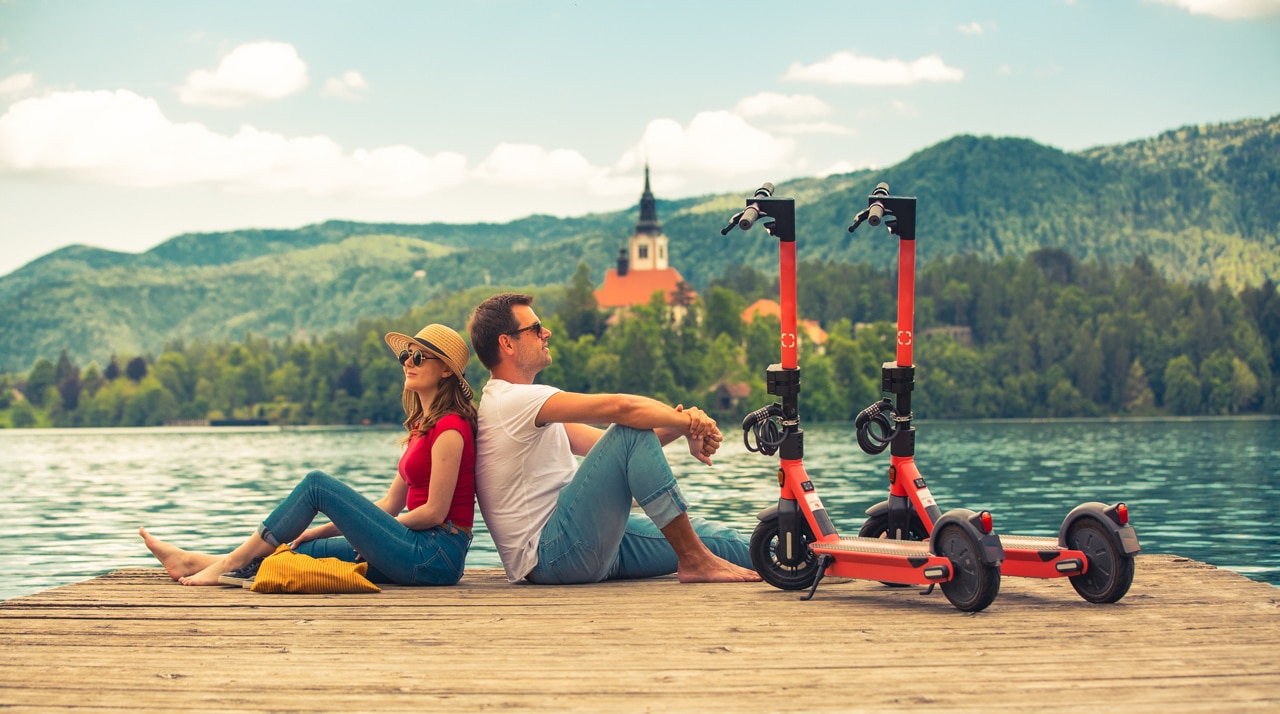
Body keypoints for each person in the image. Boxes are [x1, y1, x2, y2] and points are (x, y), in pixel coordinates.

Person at [140, 323, 478, 587]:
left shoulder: (450, 428)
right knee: (300, 550)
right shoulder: (422, 427)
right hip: (411, 545)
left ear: (446, 370)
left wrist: (371, 532)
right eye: (406, 355)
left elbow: (434, 514)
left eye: (419, 357)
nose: (408, 362)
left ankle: (226, 566)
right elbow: (390, 503)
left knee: (317, 485)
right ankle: (192, 562)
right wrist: (323, 531)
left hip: (434, 556)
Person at [467, 292, 759, 585]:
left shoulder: (522, 410)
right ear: (507, 343)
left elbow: (617, 451)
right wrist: (685, 420)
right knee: (629, 426)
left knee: (718, 539)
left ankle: (798, 553)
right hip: (554, 554)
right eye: (535, 328)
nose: (547, 332)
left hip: (587, 542)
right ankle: (695, 559)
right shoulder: (511, 400)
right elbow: (622, 410)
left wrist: (685, 428)